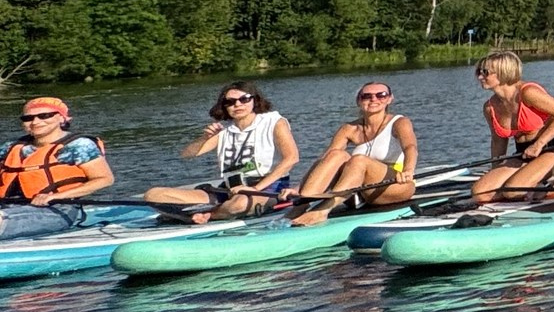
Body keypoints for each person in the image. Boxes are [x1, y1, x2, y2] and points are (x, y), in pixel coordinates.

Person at [145, 84, 301, 217]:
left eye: (244, 99)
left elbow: (291, 158)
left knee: (239, 204)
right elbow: (188, 154)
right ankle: (205, 212)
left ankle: (207, 215)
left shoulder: (273, 122)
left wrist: (254, 189)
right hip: (229, 190)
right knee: (154, 194)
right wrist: (204, 138)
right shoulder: (224, 131)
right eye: (230, 102)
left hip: (266, 188)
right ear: (224, 106)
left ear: (255, 100)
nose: (238, 105)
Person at [288, 82, 419, 222]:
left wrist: (408, 170)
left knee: (358, 159)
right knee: (336, 154)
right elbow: (324, 160)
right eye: (367, 96)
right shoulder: (349, 128)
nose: (374, 99)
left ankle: (322, 210)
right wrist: (298, 188)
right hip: (359, 191)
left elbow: (410, 147)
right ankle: (302, 203)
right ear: (359, 101)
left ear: (389, 99)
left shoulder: (399, 122)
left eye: (381, 95)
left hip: (394, 186)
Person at [472, 52, 554, 199]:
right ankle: (537, 184)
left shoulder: (528, 93)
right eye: (478, 71)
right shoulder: (489, 108)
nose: (479, 77)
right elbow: (498, 141)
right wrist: (495, 169)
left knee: (512, 191)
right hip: (524, 153)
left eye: (485, 72)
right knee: (480, 194)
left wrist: (539, 144)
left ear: (503, 72)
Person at [1, 97, 115, 235]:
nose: (36, 122)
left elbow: (104, 179)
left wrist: (58, 196)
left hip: (56, 210)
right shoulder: (10, 147)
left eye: (45, 116)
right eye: (28, 118)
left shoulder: (79, 145)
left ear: (62, 118)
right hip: (8, 206)